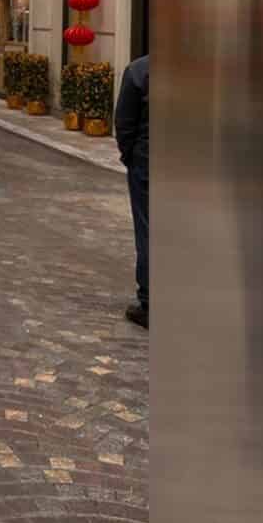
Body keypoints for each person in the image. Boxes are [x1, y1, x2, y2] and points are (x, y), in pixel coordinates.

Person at [114, 55, 149, 329]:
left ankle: (150, 303)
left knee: (148, 232)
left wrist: (131, 157)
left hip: (147, 165)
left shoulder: (139, 71)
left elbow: (124, 124)